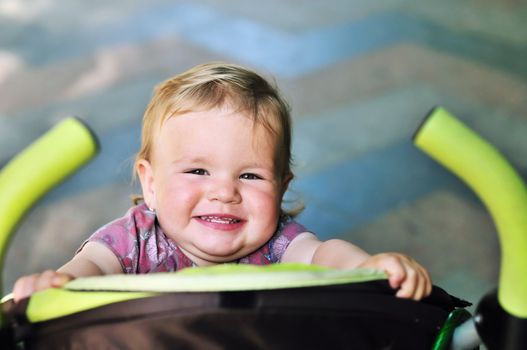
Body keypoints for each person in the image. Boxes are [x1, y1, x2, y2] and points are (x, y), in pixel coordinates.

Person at [13, 62, 432, 302]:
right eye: (197, 171)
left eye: (250, 175)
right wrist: (61, 284)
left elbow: (324, 253)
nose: (225, 192)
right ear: (151, 183)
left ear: (282, 188)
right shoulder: (133, 239)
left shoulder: (278, 242)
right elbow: (93, 267)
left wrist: (364, 267)